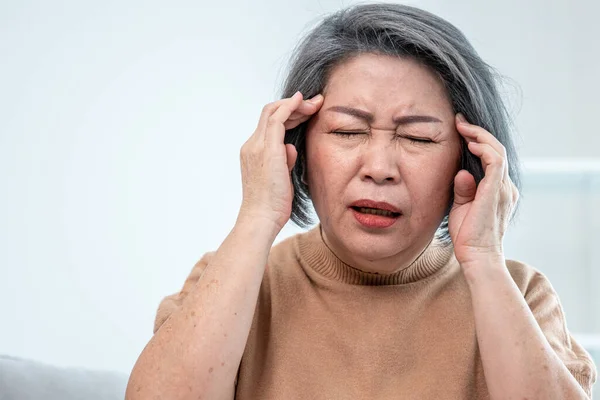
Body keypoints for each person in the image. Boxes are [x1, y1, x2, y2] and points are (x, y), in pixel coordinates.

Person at [125, 3, 597, 399]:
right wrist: (258, 216)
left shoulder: (519, 293)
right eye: (348, 131)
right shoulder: (231, 281)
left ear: (467, 161)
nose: (379, 166)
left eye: (417, 138)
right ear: (298, 147)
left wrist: (484, 260)